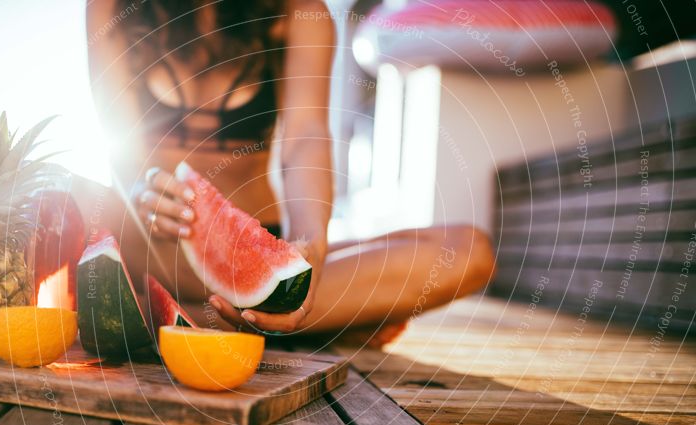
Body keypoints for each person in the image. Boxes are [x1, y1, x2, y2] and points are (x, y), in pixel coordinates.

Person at [78, 0, 495, 341]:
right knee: (68, 195)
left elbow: (305, 137)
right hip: (158, 246)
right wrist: (140, 189)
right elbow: (124, 146)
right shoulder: (109, 9)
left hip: (266, 243)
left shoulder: (299, 14)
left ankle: (179, 319)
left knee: (469, 251)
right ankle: (321, 322)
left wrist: (311, 241)